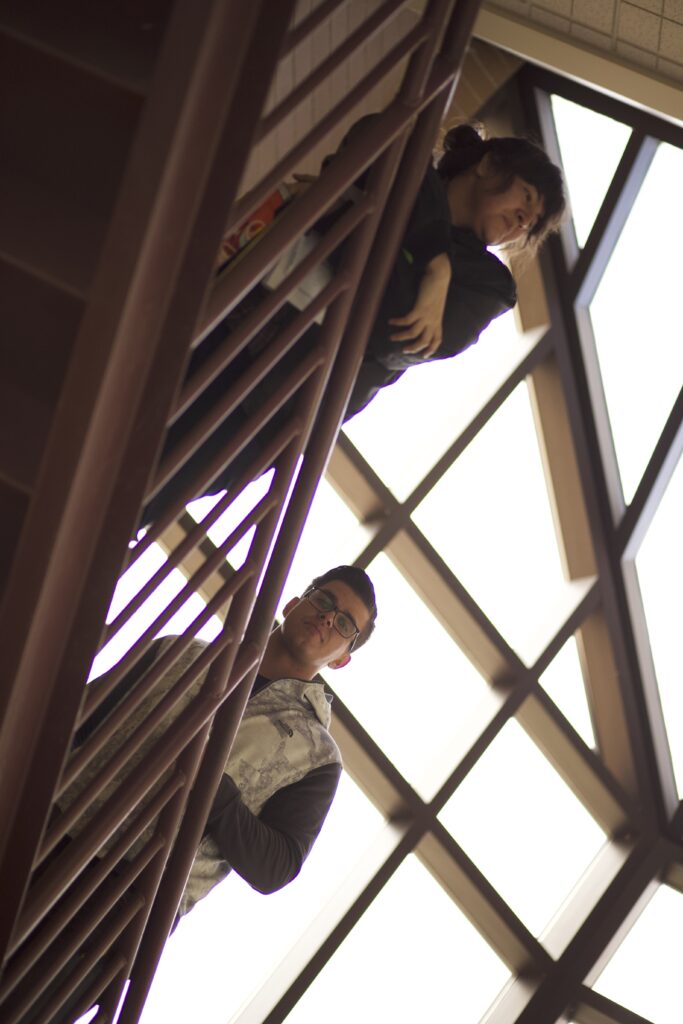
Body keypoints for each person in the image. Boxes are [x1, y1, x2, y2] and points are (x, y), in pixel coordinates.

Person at [142, 120, 565, 524]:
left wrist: (357, 217)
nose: (522, 221)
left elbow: (389, 331)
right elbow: (378, 129)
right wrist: (433, 266)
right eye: (524, 199)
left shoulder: (489, 285)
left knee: (149, 491)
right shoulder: (407, 163)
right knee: (126, 400)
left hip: (279, 398)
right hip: (233, 313)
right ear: (488, 164)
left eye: (531, 223)